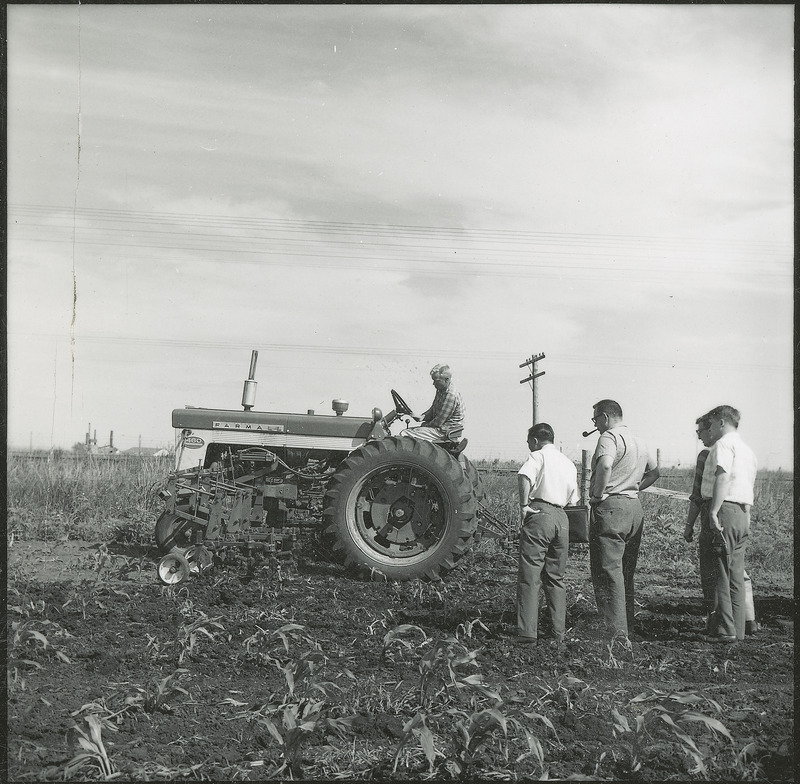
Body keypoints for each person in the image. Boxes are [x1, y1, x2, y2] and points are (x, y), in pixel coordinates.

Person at [587, 399, 660, 641]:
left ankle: (616, 634)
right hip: (633, 508)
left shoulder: (609, 437)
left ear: (606, 417)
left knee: (608, 571)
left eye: (596, 418)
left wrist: (598, 494)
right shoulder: (639, 440)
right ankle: (626, 624)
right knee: (625, 572)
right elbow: (654, 473)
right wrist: (634, 487)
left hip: (611, 509)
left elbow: (605, 465)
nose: (595, 424)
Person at [684, 414, 758, 636]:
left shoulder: (721, 447)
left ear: (718, 425)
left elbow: (721, 479)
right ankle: (738, 629)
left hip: (722, 509)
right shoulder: (748, 450)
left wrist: (713, 512)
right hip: (742, 513)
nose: (701, 436)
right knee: (735, 575)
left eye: (704, 430)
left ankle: (724, 629)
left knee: (718, 573)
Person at [516, 423, 579, 647]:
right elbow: (574, 499)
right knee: (556, 578)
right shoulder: (569, 463)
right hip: (562, 518)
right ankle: (558, 633)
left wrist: (524, 505)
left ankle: (527, 634)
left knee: (530, 574)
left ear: (534, 441)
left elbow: (524, 476)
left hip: (540, 513)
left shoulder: (537, 456)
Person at [400, 364, 465, 443]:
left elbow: (439, 421)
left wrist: (424, 425)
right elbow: (433, 409)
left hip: (444, 431)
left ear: (447, 380)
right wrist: (423, 417)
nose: (433, 384)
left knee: (405, 433)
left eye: (436, 381)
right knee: (412, 431)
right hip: (441, 428)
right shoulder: (441, 391)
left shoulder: (451, 395)